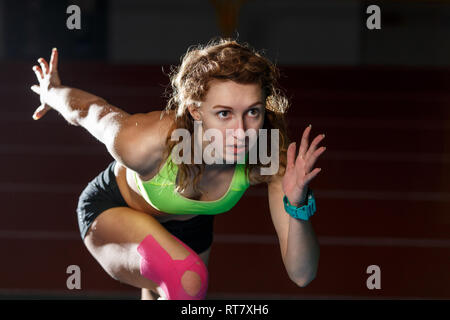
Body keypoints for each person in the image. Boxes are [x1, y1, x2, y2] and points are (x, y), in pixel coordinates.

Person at [30, 38, 325, 300]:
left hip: (190, 227)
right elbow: (90, 110)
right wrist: (51, 92)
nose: (242, 131)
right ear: (196, 111)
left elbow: (302, 274)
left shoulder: (268, 156)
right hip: (113, 210)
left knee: (182, 284)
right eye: (224, 114)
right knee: (188, 280)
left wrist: (297, 205)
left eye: (253, 112)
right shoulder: (146, 142)